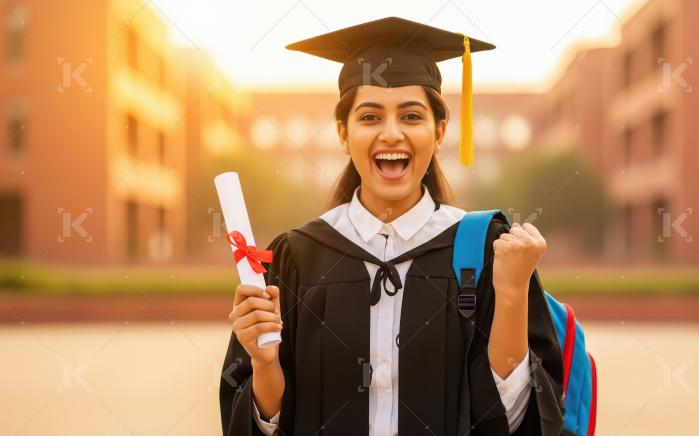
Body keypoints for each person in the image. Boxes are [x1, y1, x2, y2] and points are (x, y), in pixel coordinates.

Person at [220, 16, 564, 436]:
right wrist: (263, 361)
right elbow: (271, 424)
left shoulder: (485, 249)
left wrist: (511, 295)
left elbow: (512, 423)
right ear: (343, 134)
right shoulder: (297, 258)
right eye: (369, 117)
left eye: (411, 116)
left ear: (439, 132)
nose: (391, 133)